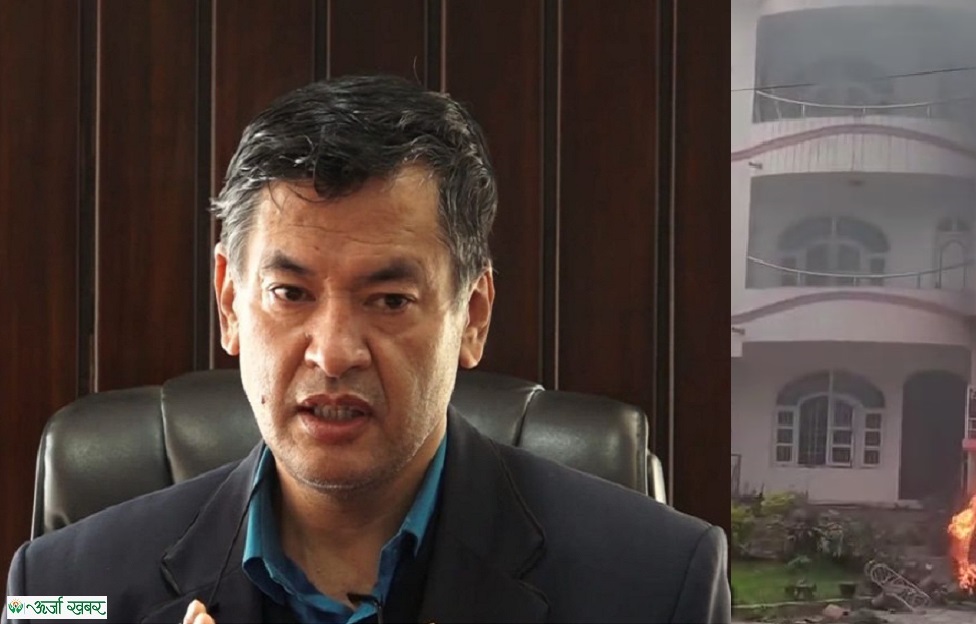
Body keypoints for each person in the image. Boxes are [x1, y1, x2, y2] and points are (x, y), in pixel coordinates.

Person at [3, 75, 730, 624]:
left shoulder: (661, 580)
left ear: (472, 317)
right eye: (290, 293)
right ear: (229, 302)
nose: (333, 353)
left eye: (389, 301)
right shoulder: (60, 588)